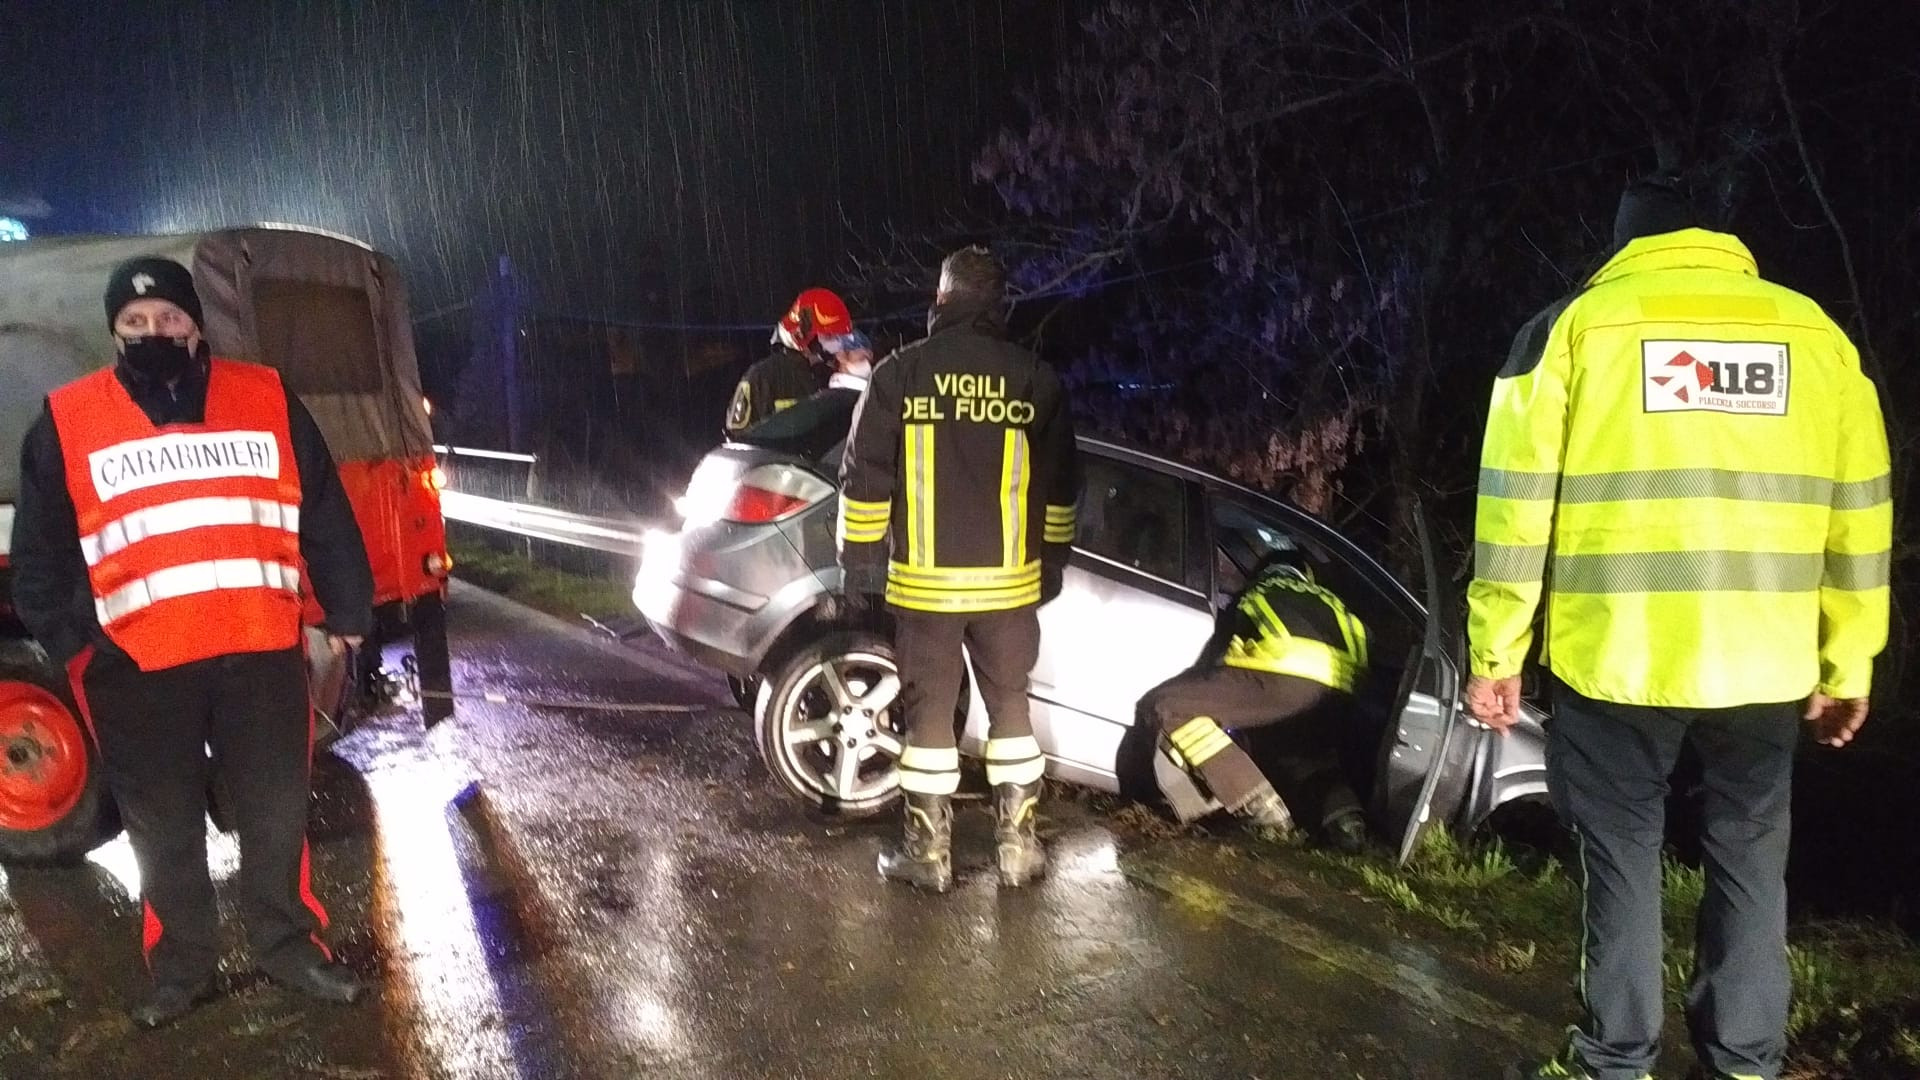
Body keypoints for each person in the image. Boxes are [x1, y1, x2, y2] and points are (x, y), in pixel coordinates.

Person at [1467, 178, 1891, 1080]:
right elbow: (1861, 515)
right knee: (1749, 858)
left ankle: (1615, 1060)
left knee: (1620, 858)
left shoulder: (1572, 329)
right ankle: (1745, 1062)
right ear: (1719, 240)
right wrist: (1846, 660)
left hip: (1615, 657)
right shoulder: (1817, 336)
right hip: (1766, 666)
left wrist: (1496, 652)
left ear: (1626, 243)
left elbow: (1513, 509)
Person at [9, 256, 376, 1028]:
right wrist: (80, 645)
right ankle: (181, 970)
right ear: (113, 331)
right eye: (135, 324)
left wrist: (347, 613)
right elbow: (40, 559)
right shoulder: (69, 419)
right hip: (139, 671)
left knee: (276, 815)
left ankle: (289, 949)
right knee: (162, 829)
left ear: (195, 324)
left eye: (170, 319)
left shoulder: (265, 397)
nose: (154, 333)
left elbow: (326, 513)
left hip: (259, 654)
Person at [838, 245, 1078, 892]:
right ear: (997, 305)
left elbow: (864, 483)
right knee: (1012, 715)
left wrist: (858, 575)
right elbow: (1061, 488)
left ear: (939, 300)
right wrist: (1051, 566)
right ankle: (1018, 849)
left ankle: (929, 855)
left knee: (930, 724)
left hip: (926, 592)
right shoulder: (1035, 379)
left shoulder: (900, 374)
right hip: (1009, 592)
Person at [1142, 550, 1371, 854]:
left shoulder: (1260, 590)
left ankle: (1260, 807)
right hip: (1343, 693)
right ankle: (1348, 825)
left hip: (1283, 678)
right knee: (1307, 756)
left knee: (1168, 705)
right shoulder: (1331, 601)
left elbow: (1216, 654)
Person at [723, 287, 851, 435]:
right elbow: (738, 438)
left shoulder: (831, 374)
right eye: (829, 336)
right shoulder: (762, 377)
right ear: (804, 336)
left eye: (839, 336)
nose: (838, 343)